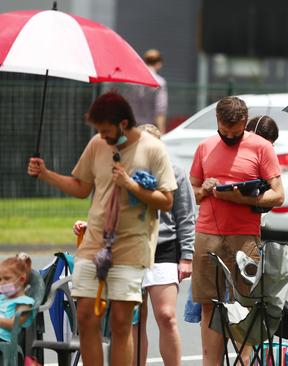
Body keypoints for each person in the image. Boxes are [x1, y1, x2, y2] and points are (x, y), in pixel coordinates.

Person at [27, 92, 177, 366]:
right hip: (94, 243)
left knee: (121, 322)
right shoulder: (97, 144)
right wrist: (46, 174)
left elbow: (167, 201)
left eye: (105, 130)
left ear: (123, 123)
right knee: (85, 316)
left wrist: (131, 185)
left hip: (132, 246)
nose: (101, 135)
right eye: (98, 130)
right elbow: (81, 187)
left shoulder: (153, 149)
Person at [189, 96, 284, 365]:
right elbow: (193, 193)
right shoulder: (205, 147)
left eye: (236, 132)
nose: (230, 136)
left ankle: (246, 360)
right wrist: (204, 189)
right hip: (207, 234)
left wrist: (244, 199)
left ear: (245, 122)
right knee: (209, 304)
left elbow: (278, 196)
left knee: (245, 304)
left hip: (245, 236)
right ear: (217, 121)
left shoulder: (261, 147)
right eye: (225, 131)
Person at [121, 49, 169, 132]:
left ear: (144, 61)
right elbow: (160, 110)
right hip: (149, 129)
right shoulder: (160, 82)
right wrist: (162, 134)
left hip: (131, 127)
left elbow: (125, 104)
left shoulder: (131, 81)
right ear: (159, 64)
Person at [0, 253, 35, 342]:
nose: (2, 283)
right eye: (0, 279)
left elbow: (14, 325)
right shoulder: (2, 298)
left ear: (21, 280)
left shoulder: (25, 302)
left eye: (7, 278)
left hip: (4, 341)